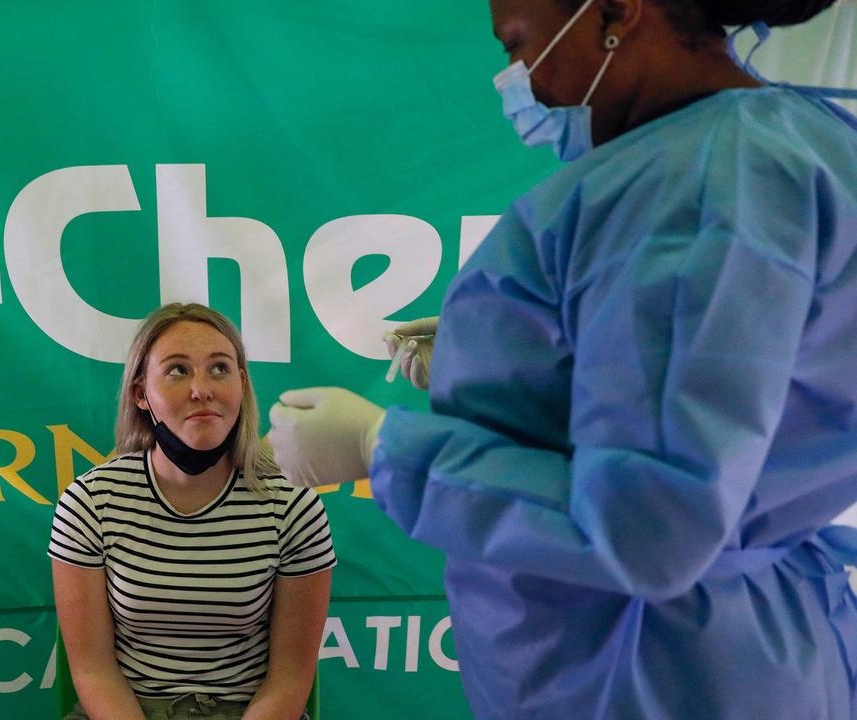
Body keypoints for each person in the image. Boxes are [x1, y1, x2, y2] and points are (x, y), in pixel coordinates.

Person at [267, 0, 857, 718]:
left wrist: (382, 446)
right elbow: (727, 385)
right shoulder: (798, 144)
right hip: (733, 647)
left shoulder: (689, 187)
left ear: (615, 11)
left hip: (650, 671)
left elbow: (648, 525)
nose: (518, 82)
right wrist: (488, 357)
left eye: (518, 47)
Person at [50, 303, 335, 720]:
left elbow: (291, 677)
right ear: (140, 393)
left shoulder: (293, 505)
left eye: (219, 368)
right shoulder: (89, 502)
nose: (202, 389)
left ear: (241, 383)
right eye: (178, 370)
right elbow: (93, 671)